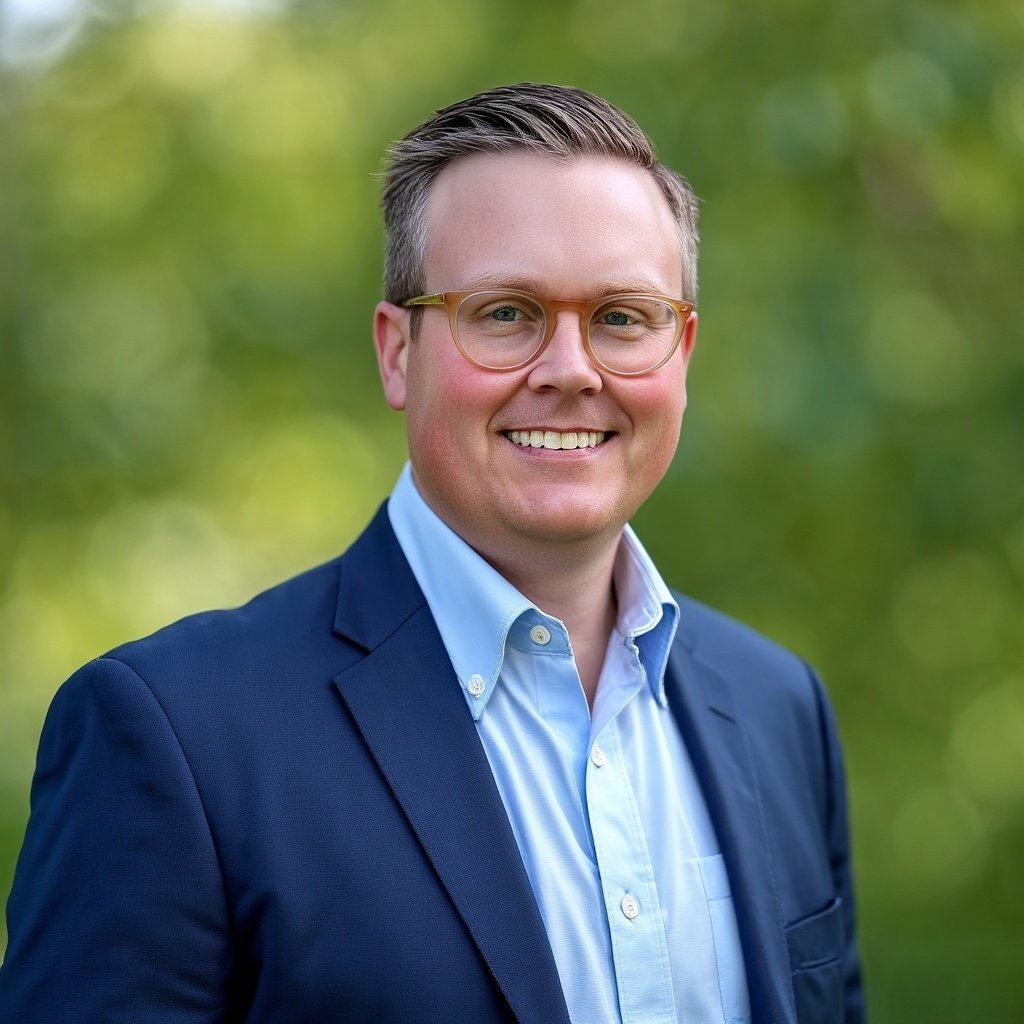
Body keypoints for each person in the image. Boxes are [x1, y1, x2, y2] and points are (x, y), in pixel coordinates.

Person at [0, 83, 864, 1023]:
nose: (571, 369)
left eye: (621, 317)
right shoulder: (175, 738)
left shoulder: (781, 709)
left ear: (682, 356)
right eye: (505, 313)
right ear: (396, 352)